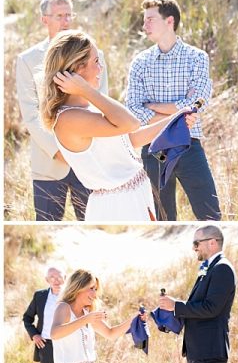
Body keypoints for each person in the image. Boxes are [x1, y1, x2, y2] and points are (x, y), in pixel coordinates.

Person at [41, 29, 188, 221]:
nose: (101, 68)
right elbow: (131, 123)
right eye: (95, 61)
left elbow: (128, 140)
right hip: (117, 208)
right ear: (77, 68)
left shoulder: (87, 108)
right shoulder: (69, 119)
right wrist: (86, 89)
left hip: (133, 196)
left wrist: (177, 118)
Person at [125, 0, 220, 221]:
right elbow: (134, 109)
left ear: (170, 21)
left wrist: (154, 107)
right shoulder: (140, 62)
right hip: (153, 149)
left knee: (211, 214)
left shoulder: (196, 57)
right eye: (144, 19)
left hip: (189, 145)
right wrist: (178, 112)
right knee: (162, 218)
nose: (144, 25)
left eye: (150, 19)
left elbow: (197, 101)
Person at [16, 0, 101, 221]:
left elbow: (100, 102)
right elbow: (31, 114)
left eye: (68, 15)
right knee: (46, 222)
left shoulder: (94, 55)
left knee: (92, 222)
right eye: (59, 16)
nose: (65, 21)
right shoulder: (27, 60)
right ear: (45, 19)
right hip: (49, 163)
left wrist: (80, 149)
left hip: (88, 159)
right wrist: (59, 150)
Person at [158, 226, 236, 363]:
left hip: (208, 352)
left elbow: (211, 308)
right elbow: (198, 306)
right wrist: (171, 314)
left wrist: (177, 306)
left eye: (196, 243)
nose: (194, 248)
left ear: (212, 242)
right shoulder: (210, 267)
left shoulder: (222, 268)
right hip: (198, 351)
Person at [48, 269, 138, 363]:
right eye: (91, 288)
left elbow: (110, 333)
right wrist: (86, 319)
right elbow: (54, 333)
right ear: (78, 287)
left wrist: (134, 320)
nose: (95, 294)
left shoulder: (87, 313)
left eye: (95, 289)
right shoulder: (63, 307)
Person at [22, 267, 66, 363]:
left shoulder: (72, 297)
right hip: (46, 347)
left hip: (67, 347)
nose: (56, 280)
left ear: (65, 277)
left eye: (59, 276)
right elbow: (27, 318)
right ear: (47, 280)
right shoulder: (40, 296)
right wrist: (34, 335)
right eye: (52, 277)